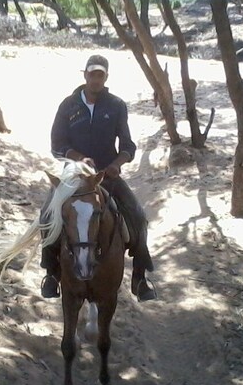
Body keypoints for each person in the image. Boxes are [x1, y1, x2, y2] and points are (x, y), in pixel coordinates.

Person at [40, 54, 157, 301]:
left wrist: (116, 164)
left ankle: (139, 277)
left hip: (106, 175)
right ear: (84, 75)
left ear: (106, 77)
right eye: (92, 74)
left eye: (100, 75)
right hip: (74, 176)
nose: (95, 79)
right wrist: (78, 158)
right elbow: (57, 145)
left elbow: (128, 146)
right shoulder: (68, 105)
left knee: (137, 215)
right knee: (47, 215)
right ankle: (51, 274)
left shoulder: (116, 105)